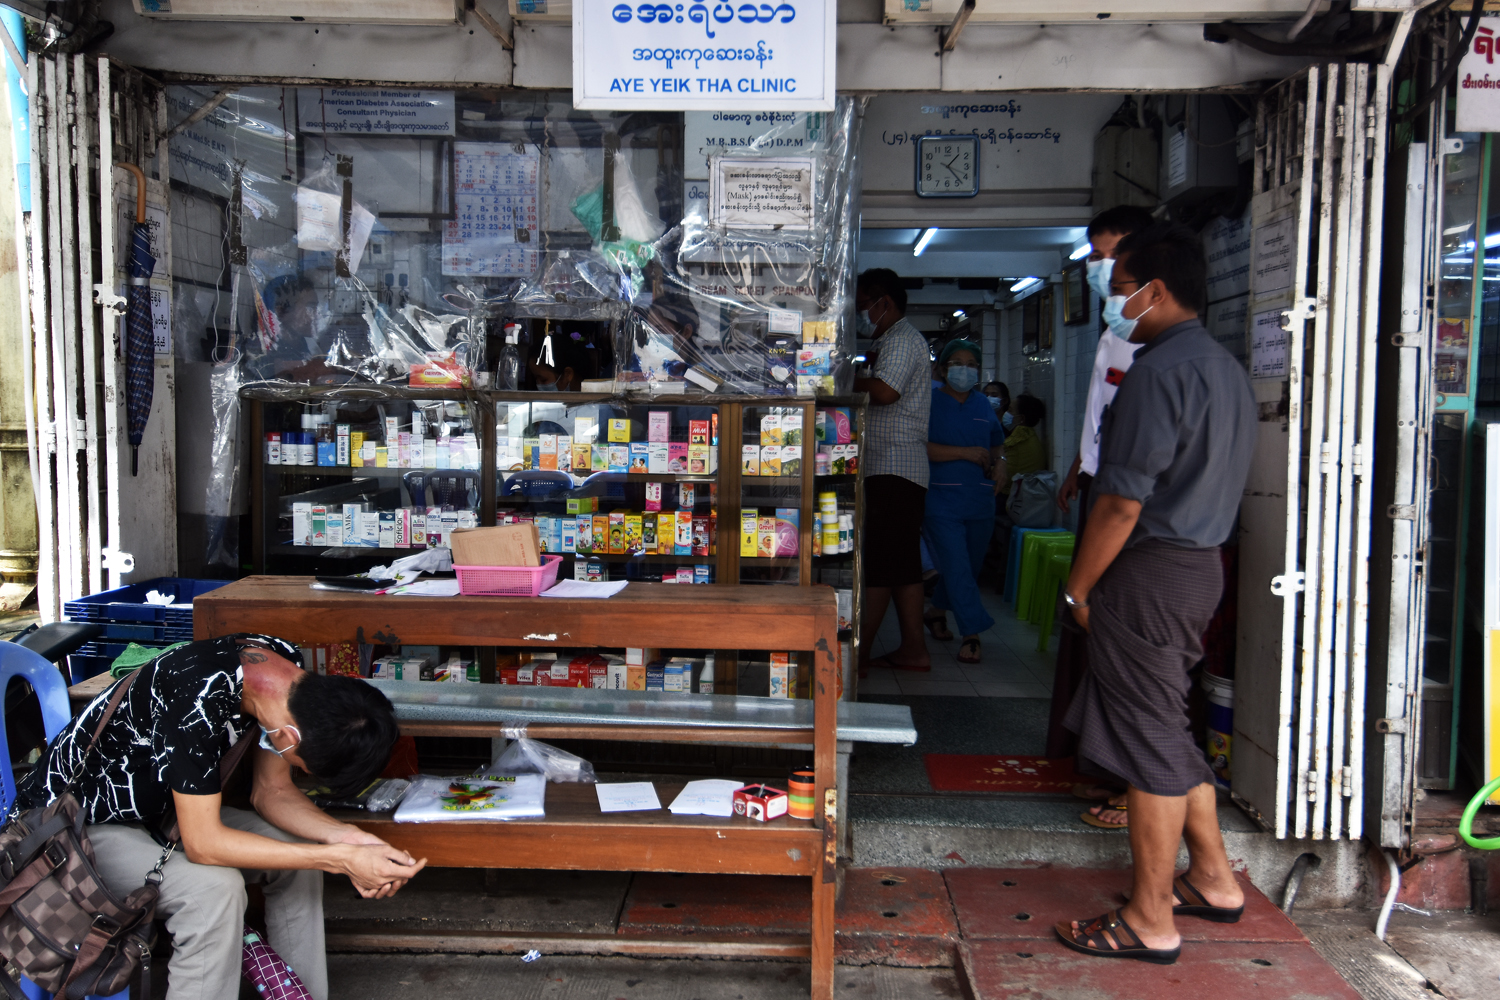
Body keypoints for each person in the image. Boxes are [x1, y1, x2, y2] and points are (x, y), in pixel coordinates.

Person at [12, 634, 425, 1000]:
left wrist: (351, 841)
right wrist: (337, 859)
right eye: (301, 764)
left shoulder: (284, 669)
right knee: (214, 891)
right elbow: (204, 844)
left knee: (299, 862)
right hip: (73, 830)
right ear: (289, 737)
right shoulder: (195, 698)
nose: (296, 769)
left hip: (163, 813)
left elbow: (273, 793)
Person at [1054, 224, 1256, 965]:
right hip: (1202, 565)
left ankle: (1149, 918)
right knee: (1166, 724)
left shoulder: (1158, 372)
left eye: (1118, 291)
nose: (1115, 306)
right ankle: (1213, 879)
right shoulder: (1226, 370)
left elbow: (1119, 503)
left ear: (1156, 291)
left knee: (1149, 743)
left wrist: (1078, 589)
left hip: (1149, 568)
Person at [1046, 205, 1155, 828]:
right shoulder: (1116, 331)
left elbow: (1134, 457)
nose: (1095, 268)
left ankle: (1129, 781)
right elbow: (1097, 417)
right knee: (1089, 638)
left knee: (1110, 632)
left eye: (1107, 257)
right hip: (1097, 483)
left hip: (1127, 504)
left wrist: (1080, 584)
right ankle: (1096, 763)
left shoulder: (1159, 349)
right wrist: (1077, 468)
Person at [854, 267, 933, 673]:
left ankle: (859, 653)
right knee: (903, 568)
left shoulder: (900, 340)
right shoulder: (891, 339)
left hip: (894, 468)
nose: (861, 313)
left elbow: (886, 391)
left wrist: (846, 381)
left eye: (864, 304)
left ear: (884, 301)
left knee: (883, 566)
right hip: (897, 468)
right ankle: (913, 649)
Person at [922, 340, 1006, 663]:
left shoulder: (983, 404)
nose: (964, 368)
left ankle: (936, 610)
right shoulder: (928, 402)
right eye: (957, 362)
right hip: (941, 498)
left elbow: (997, 443)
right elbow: (921, 445)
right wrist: (964, 453)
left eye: (971, 364)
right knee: (956, 564)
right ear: (943, 369)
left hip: (980, 499)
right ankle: (972, 633)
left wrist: (1002, 463)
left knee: (967, 566)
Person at [996, 393, 1046, 496]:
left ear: (1021, 418)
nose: (1006, 413)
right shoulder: (1027, 436)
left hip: (1009, 496)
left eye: (1010, 410)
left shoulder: (1019, 440)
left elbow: (1005, 474)